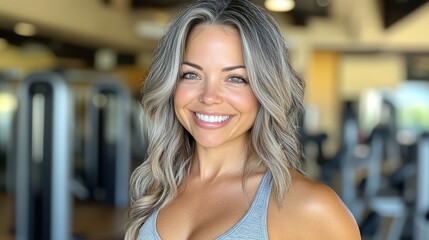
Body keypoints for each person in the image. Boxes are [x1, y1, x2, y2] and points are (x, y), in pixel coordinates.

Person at [126, 0, 361, 239]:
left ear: (265, 90)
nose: (209, 97)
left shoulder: (310, 208)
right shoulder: (158, 188)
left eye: (236, 78)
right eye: (191, 74)